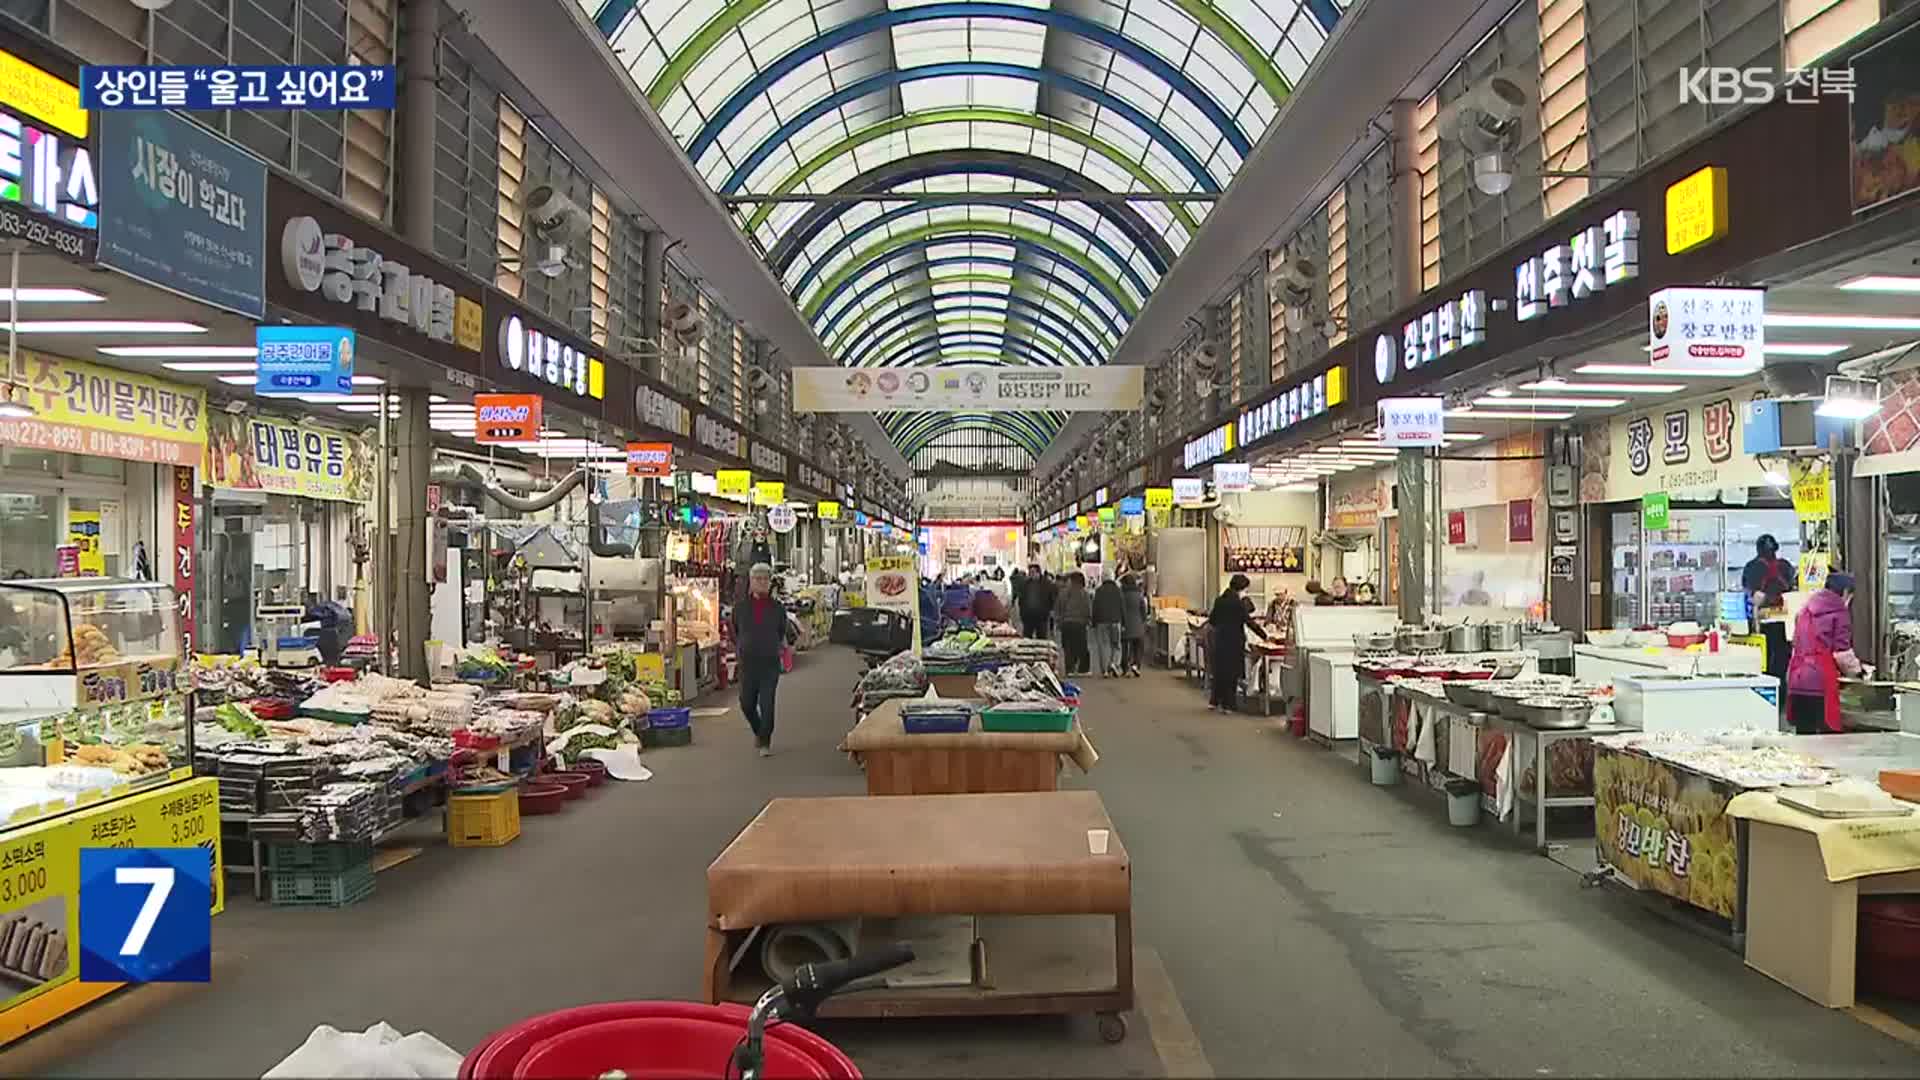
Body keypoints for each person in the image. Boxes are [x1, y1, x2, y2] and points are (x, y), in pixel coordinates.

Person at [1786, 571, 1864, 735]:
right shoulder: (1839, 612)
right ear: (1845, 593)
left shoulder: (1804, 610)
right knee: (1828, 743)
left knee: (1804, 740)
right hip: (1819, 682)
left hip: (1797, 679)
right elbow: (1842, 654)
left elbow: (1796, 643)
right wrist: (1858, 671)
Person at [731, 563, 795, 756]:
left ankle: (765, 740)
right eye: (757, 579)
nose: (761, 583)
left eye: (765, 579)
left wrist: (778, 647)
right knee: (746, 703)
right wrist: (742, 646)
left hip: (769, 663)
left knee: (767, 704)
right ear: (751, 582)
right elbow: (735, 630)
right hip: (747, 663)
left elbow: (782, 630)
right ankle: (759, 731)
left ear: (770, 583)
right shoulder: (741, 608)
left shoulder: (777, 608)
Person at [1743, 534, 1797, 698]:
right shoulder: (1786, 566)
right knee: (1782, 657)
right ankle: (1782, 692)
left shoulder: (1751, 567)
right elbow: (1792, 588)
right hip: (1784, 621)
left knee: (1763, 659)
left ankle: (1766, 693)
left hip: (1762, 621)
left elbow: (1748, 593)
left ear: (1758, 549)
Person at [1208, 574, 1268, 712]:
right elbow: (1249, 622)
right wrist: (1264, 635)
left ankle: (1215, 700)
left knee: (1220, 671)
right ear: (1241, 588)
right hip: (1234, 641)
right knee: (1231, 673)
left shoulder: (1219, 600)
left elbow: (1212, 620)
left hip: (1220, 639)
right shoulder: (1238, 604)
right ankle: (1228, 704)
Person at [1054, 571, 1093, 675]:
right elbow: (1088, 607)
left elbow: (1058, 608)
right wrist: (1088, 619)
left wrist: (1059, 621)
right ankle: (1083, 669)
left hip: (1066, 623)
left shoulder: (1063, 593)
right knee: (1082, 646)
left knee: (1068, 647)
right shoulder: (1084, 593)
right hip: (1080, 623)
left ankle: (1069, 669)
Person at [1091, 575, 1124, 677]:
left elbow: (1095, 606)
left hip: (1102, 621)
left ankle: (1105, 670)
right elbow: (1122, 607)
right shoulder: (1118, 590)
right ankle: (1114, 663)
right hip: (1116, 621)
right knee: (1116, 645)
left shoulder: (1099, 590)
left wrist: (1094, 622)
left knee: (1103, 645)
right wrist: (1124, 622)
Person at [1120, 574, 1150, 676]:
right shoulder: (1139, 594)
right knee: (1138, 646)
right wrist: (1144, 620)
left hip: (1125, 625)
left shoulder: (1121, 594)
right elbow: (1143, 610)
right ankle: (1136, 665)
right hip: (1138, 625)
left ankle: (1125, 667)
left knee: (1124, 646)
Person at [1019, 563, 1054, 639]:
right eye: (1030, 572)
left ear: (1038, 572)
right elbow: (1021, 600)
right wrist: (1022, 613)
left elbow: (1051, 598)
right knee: (1026, 638)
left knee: (1041, 638)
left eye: (1033, 572)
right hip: (1028, 616)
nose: (1031, 574)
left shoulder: (1047, 584)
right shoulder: (1026, 584)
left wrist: (1050, 610)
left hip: (1041, 616)